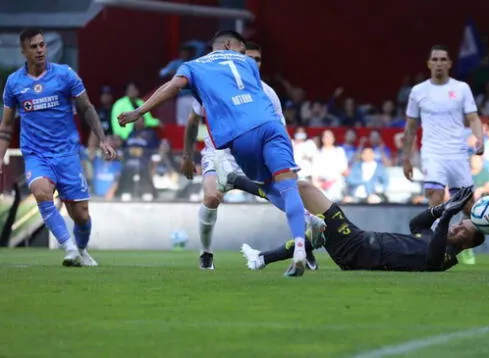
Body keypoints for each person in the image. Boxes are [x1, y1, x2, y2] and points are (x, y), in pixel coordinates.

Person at [118, 30, 310, 277]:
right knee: (286, 186)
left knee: (262, 183)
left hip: (240, 135)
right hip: (270, 126)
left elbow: (174, 86)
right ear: (229, 45)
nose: (243, 55)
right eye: (241, 50)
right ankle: (300, 248)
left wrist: (140, 112)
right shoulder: (249, 65)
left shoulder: (195, 66)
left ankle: (236, 181)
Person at [181, 41, 323, 270]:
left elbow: (279, 130)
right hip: (219, 152)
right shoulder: (214, 85)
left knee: (280, 191)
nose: (254, 63)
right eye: (250, 57)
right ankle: (206, 253)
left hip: (251, 150)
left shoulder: (267, 93)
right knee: (212, 197)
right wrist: (187, 157)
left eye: (258, 59)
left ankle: (304, 242)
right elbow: (192, 122)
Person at [0, 28, 117, 266]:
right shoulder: (14, 83)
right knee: (41, 192)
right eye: (34, 46)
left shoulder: (65, 75)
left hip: (67, 153)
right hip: (36, 154)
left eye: (42, 45)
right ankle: (69, 247)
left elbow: (86, 108)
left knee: (81, 215)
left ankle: (81, 249)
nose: (40, 50)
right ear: (23, 51)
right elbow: (7, 125)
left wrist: (102, 139)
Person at [241, 184, 485, 272]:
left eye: (463, 231)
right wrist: (442, 210)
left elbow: (433, 256)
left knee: (304, 190)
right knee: (318, 226)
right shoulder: (438, 241)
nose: (456, 228)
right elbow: (417, 225)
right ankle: (262, 258)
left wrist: (445, 218)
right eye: (460, 223)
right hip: (360, 244)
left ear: (467, 245)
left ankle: (238, 181)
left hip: (357, 250)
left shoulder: (445, 257)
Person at [401, 45, 485, 265]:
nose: (439, 63)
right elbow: (410, 126)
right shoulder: (418, 91)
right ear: (429, 64)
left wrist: (479, 138)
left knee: (467, 206)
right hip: (432, 153)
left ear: (449, 63)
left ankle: (462, 245)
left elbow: (474, 118)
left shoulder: (461, 88)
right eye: (435, 59)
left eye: (443, 59)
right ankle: (432, 243)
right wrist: (406, 157)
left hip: (457, 153)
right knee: (435, 199)